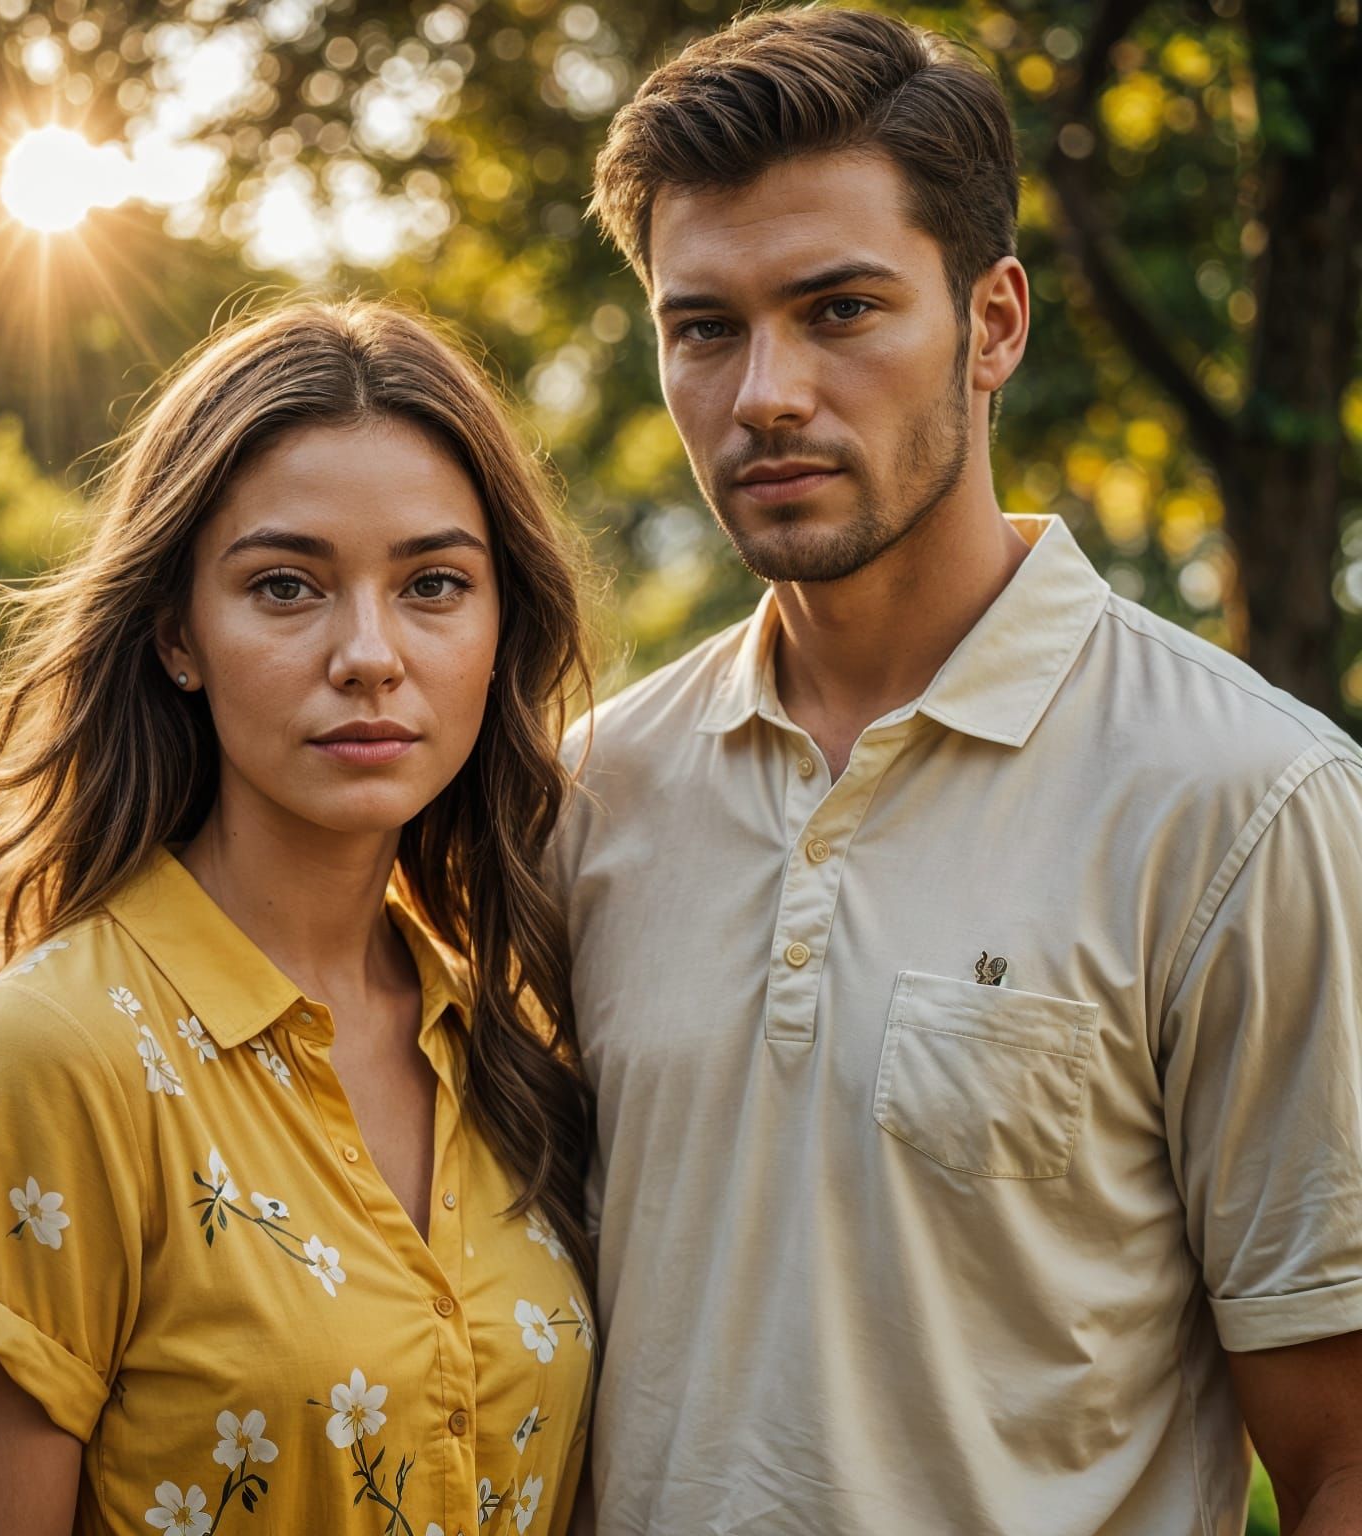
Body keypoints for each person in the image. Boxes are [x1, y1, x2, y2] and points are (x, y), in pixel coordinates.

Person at [552, 9, 1362, 1534]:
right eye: (703, 327)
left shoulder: (1244, 802)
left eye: (841, 309)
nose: (763, 394)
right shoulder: (588, 795)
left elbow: (1343, 1456)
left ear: (993, 324)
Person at [0, 299, 597, 1536]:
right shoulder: (53, 1061)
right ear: (177, 635)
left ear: (497, 630)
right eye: (285, 586)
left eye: (433, 583)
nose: (370, 654)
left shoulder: (507, 1038)